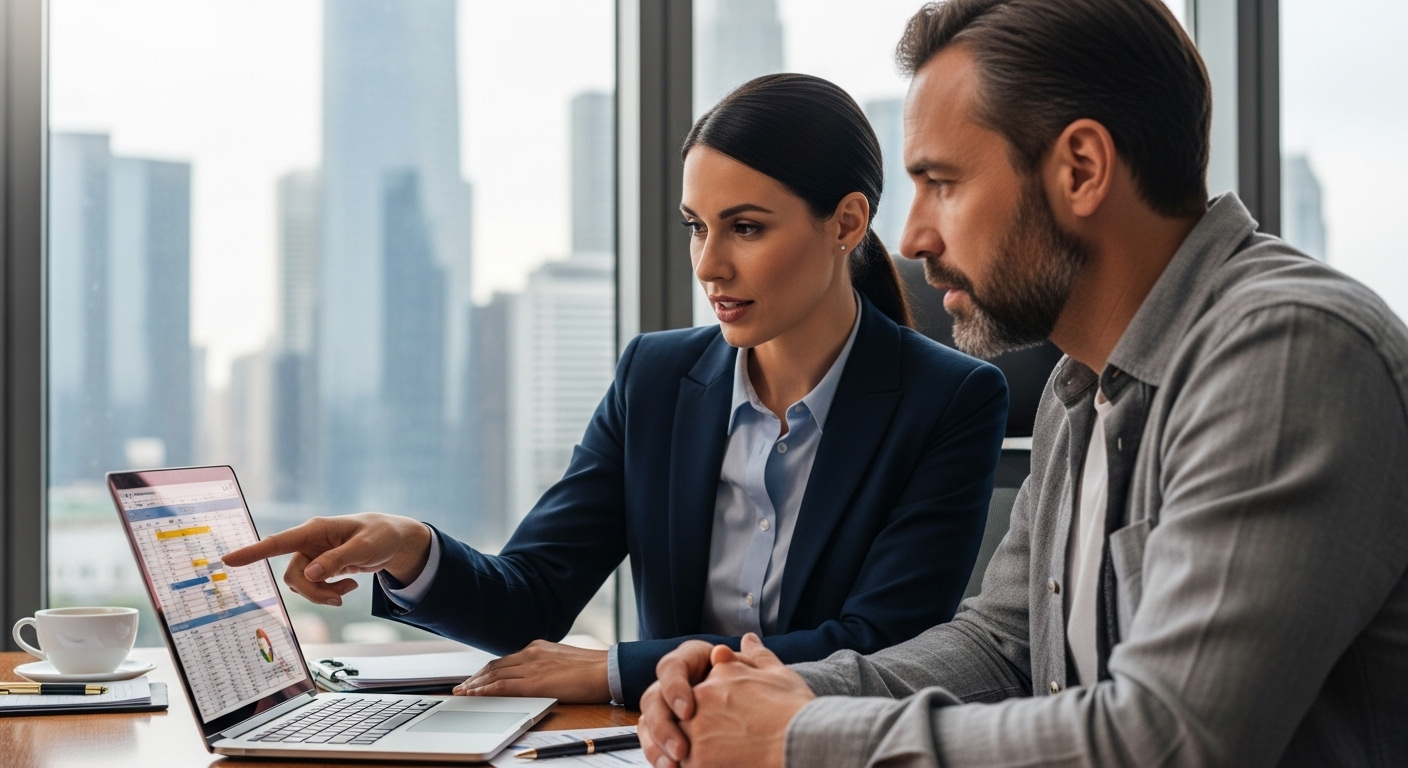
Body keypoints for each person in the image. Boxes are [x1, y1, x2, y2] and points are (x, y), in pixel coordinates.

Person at [637, 0, 1408, 765]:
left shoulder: (1286, 352)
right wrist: (767, 690)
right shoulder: (1083, 386)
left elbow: (1169, 740)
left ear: (1081, 169)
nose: (910, 238)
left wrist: (799, 736)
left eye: (942, 183)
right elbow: (1002, 648)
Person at [222, 73, 1009, 709]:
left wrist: (614, 671)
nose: (708, 266)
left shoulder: (951, 399)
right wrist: (411, 548)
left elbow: (879, 642)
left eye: (745, 227)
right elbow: (531, 598)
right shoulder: (658, 378)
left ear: (845, 223)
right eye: (696, 226)